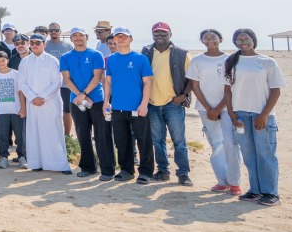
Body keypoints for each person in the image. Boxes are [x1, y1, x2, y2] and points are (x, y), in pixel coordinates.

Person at [223, 28, 285, 206]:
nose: (243, 42)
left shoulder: (267, 62)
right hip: (240, 115)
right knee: (249, 154)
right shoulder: (231, 62)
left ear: (253, 40)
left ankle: (271, 193)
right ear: (235, 43)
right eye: (239, 40)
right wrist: (232, 114)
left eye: (246, 39)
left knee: (266, 154)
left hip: (262, 115)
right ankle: (255, 190)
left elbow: (275, 91)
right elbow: (227, 90)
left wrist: (264, 114)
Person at [186, 28, 241, 194]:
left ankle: (235, 183)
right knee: (217, 145)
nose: (210, 40)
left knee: (231, 144)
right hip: (205, 109)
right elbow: (195, 86)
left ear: (221, 39)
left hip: (229, 107)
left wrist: (219, 107)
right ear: (202, 41)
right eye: (206, 38)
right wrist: (210, 109)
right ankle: (222, 181)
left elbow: (232, 86)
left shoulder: (231, 59)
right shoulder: (197, 61)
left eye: (213, 37)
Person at [141, 21, 192, 185]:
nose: (160, 36)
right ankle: (163, 171)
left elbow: (192, 78)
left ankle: (183, 173)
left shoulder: (182, 53)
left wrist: (184, 95)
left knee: (179, 142)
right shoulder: (146, 51)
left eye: (163, 33)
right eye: (156, 33)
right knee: (157, 140)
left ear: (170, 34)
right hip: (152, 103)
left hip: (173, 104)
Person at [103, 27, 155, 184]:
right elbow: (108, 81)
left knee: (143, 140)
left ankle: (145, 172)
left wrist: (144, 103)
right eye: (118, 37)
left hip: (137, 108)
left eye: (124, 36)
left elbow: (147, 82)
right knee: (121, 141)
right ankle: (126, 170)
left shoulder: (141, 59)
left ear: (131, 39)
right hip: (118, 107)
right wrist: (106, 101)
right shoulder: (111, 59)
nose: (121, 39)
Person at [59, 27, 109, 179]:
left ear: (87, 37)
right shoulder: (66, 57)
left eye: (81, 35)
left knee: (102, 135)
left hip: (97, 100)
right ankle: (88, 167)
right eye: (75, 36)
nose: (78, 38)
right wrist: (80, 96)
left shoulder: (96, 54)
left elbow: (97, 76)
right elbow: (66, 79)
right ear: (71, 39)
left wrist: (84, 94)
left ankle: (107, 169)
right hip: (76, 101)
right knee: (83, 135)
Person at [18, 33, 71, 173]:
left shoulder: (53, 61)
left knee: (53, 132)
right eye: (32, 43)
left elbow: (57, 82)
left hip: (50, 103)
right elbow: (22, 82)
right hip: (32, 103)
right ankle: (36, 163)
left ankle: (60, 165)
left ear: (44, 44)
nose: (34, 45)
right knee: (34, 132)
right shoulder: (25, 62)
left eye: (37, 43)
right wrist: (32, 97)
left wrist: (42, 97)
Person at [0, 51, 24, 168]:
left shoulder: (16, 74)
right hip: (1, 111)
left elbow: (20, 92)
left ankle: (22, 156)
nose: (1, 63)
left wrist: (23, 108)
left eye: (3, 60)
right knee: (2, 135)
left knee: (20, 135)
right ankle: (4, 157)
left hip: (16, 110)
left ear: (7, 60)